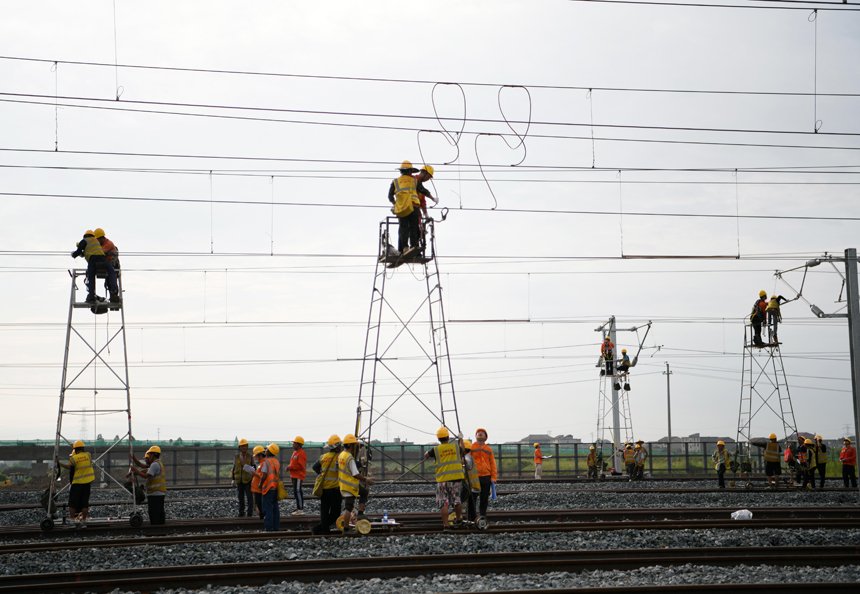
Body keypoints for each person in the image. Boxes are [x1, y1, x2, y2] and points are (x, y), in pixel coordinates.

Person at [424, 427, 464, 531]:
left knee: (443, 503)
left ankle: (446, 526)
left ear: (438, 439)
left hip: (442, 481)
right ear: (448, 437)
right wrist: (460, 439)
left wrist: (428, 452)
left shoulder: (435, 450)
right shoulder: (455, 447)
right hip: (455, 479)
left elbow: (426, 455)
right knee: (456, 500)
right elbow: (463, 451)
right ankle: (458, 520)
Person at [388, 161, 431, 255]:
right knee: (413, 227)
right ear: (409, 171)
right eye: (428, 177)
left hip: (402, 208)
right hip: (413, 207)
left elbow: (390, 196)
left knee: (403, 228)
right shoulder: (414, 180)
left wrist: (395, 204)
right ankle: (413, 247)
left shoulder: (396, 181)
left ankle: (404, 248)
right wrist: (432, 198)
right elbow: (423, 192)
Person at [338, 434, 374, 534]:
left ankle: (360, 514)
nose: (356, 446)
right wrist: (366, 480)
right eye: (355, 445)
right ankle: (346, 529)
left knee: (363, 492)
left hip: (344, 484)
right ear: (351, 445)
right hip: (350, 486)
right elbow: (355, 474)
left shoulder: (341, 455)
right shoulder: (349, 458)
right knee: (348, 507)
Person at [71, 230, 120, 304]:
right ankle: (114, 291)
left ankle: (92, 296)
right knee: (111, 272)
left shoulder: (85, 241)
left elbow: (78, 252)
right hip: (102, 258)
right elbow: (95, 250)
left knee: (91, 277)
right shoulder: (96, 242)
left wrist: (73, 254)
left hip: (93, 259)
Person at [55, 440, 95, 528]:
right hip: (87, 483)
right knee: (85, 503)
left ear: (75, 450)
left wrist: (59, 463)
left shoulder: (73, 459)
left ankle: (72, 521)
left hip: (77, 483)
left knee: (72, 503)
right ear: (83, 448)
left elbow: (71, 469)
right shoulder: (88, 455)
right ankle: (83, 522)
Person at [127, 446, 166, 525]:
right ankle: (161, 529)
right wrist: (135, 472)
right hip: (160, 493)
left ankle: (156, 529)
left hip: (155, 494)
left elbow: (145, 475)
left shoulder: (154, 465)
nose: (148, 457)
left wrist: (135, 470)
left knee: (154, 515)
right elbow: (145, 469)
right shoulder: (158, 463)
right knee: (160, 515)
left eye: (150, 454)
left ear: (153, 455)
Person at [312, 434, 342, 535]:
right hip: (335, 489)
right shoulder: (340, 457)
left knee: (324, 511)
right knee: (335, 513)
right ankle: (318, 528)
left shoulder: (323, 457)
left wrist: (320, 474)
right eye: (340, 445)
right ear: (337, 446)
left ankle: (324, 530)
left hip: (324, 489)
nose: (341, 446)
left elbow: (315, 467)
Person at [471, 428, 497, 518]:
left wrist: (493, 478)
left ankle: (482, 516)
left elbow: (492, 464)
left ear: (486, 437)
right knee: (472, 498)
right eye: (478, 432)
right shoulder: (471, 448)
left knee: (484, 498)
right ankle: (472, 517)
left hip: (486, 476)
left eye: (482, 432)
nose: (480, 433)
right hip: (474, 477)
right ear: (475, 435)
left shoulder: (488, 449)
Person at [256, 443, 281, 531]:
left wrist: (260, 485)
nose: (265, 451)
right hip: (275, 488)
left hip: (268, 488)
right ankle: (276, 528)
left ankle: (269, 528)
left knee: (267, 509)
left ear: (270, 452)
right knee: (275, 509)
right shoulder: (277, 462)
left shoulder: (266, 462)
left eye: (267, 449)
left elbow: (264, 475)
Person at [232, 439, 255, 518]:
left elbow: (254, 468)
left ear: (247, 446)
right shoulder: (236, 457)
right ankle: (241, 512)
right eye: (242, 446)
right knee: (240, 497)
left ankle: (249, 513)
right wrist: (233, 479)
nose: (243, 447)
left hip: (248, 480)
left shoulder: (250, 456)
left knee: (249, 497)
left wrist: (254, 479)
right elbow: (234, 468)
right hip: (239, 480)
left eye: (245, 446)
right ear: (239, 447)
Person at [461, 439, 480, 522]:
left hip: (472, 486)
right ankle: (471, 519)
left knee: (471, 505)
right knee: (470, 505)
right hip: (471, 486)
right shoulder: (468, 456)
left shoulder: (467, 457)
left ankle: (472, 520)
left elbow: (466, 463)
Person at [288, 436, 307, 516]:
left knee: (298, 491)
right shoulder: (295, 452)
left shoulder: (301, 453)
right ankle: (298, 508)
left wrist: (290, 467)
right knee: (296, 492)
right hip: (294, 475)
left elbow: (300, 466)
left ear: (299, 445)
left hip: (298, 475)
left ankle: (300, 509)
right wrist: (290, 467)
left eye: (294, 443)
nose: (293, 445)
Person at [250, 445, 265, 520]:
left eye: (256, 456)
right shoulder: (261, 463)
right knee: (259, 504)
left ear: (260, 455)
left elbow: (263, 475)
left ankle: (263, 519)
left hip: (260, 488)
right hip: (257, 488)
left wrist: (255, 473)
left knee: (260, 504)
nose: (255, 458)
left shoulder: (264, 463)